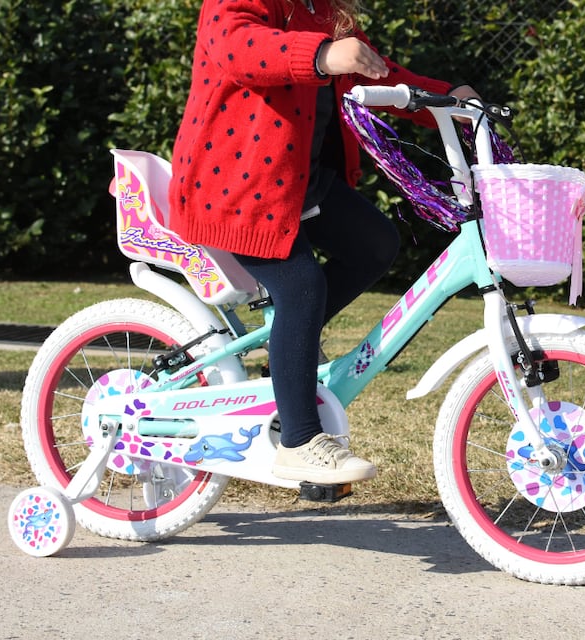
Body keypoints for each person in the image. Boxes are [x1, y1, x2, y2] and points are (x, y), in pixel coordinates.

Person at [169, 0, 479, 485]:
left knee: (374, 245)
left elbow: (375, 73)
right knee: (302, 288)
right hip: (236, 187)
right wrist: (322, 55)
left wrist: (446, 96)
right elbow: (238, 46)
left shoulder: (324, 11)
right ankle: (298, 441)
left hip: (299, 183)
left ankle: (289, 345)